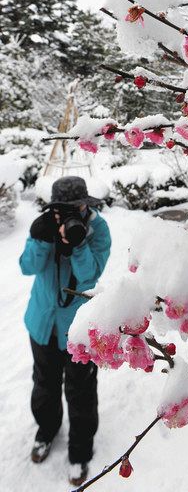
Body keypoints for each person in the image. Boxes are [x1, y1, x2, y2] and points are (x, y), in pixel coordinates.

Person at [19, 176, 111, 487]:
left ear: (87, 203)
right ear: (54, 209)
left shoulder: (98, 230)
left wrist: (78, 243)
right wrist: (41, 239)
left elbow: (88, 278)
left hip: (81, 332)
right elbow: (26, 267)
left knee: (81, 391)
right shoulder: (45, 226)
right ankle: (47, 431)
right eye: (65, 209)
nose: (73, 213)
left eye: (79, 206)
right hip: (43, 325)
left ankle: (80, 452)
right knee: (44, 384)